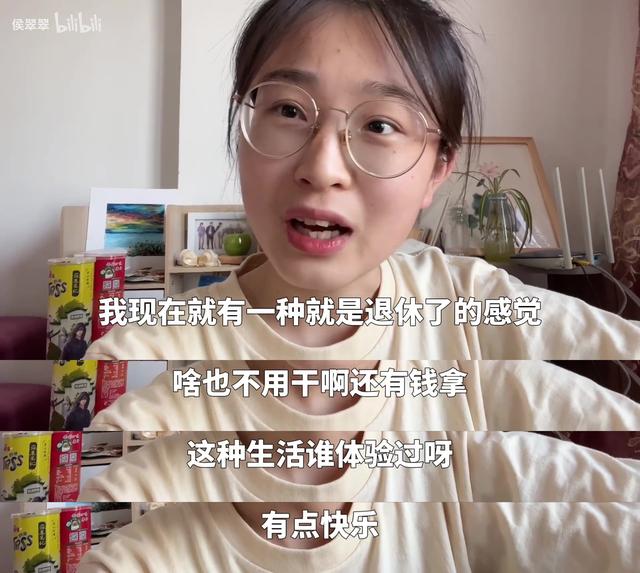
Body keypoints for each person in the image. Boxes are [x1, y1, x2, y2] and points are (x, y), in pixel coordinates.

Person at [84, 0, 639, 362]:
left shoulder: (471, 309)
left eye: (380, 125)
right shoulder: (173, 346)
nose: (322, 168)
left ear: (438, 170)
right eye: (288, 110)